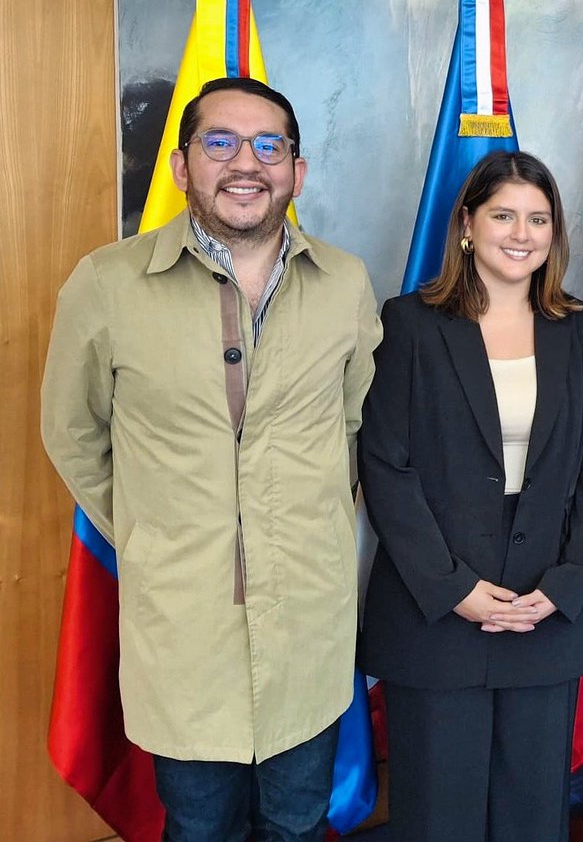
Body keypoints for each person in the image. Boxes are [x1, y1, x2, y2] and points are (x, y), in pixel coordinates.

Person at [41, 76, 382, 841]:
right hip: (184, 629)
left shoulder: (345, 283)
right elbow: (73, 431)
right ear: (181, 165)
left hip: (307, 624)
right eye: (220, 142)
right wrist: (152, 531)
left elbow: (356, 424)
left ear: (297, 170)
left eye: (269, 146)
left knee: (299, 823)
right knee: (199, 828)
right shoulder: (108, 284)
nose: (246, 163)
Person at [357, 150, 583, 842]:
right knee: (437, 817)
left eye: (538, 218)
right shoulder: (410, 323)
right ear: (467, 226)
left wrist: (564, 583)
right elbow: (385, 466)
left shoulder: (579, 327)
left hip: (543, 607)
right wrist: (453, 588)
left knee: (532, 815)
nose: (521, 233)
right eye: (504, 215)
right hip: (435, 611)